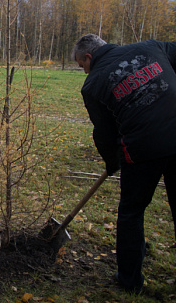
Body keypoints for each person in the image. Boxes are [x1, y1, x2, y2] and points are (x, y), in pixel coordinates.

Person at [72, 33, 176, 294]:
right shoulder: (152, 46)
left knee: (132, 212)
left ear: (88, 57)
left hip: (143, 148)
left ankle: (129, 280)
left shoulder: (93, 84)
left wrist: (112, 161)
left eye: (81, 66)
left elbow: (105, 134)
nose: (84, 72)